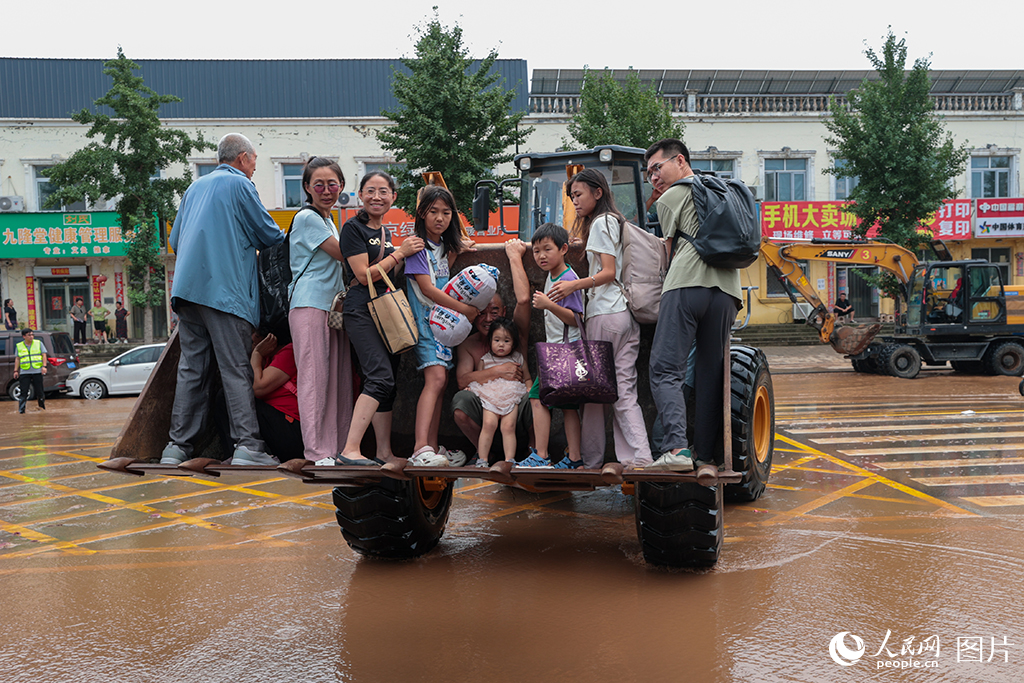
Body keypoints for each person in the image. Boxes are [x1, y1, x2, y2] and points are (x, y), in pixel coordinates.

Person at [160, 133, 285, 468]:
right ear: (243, 158)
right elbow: (270, 234)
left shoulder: (193, 189)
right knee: (235, 369)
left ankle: (176, 447)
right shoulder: (240, 185)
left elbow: (174, 240)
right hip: (224, 292)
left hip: (187, 291)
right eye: (255, 162)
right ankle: (248, 446)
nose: (254, 169)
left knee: (191, 369)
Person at [644, 138, 742, 472]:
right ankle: (704, 455)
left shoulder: (671, 197)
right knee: (711, 374)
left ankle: (675, 449)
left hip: (686, 286)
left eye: (657, 168)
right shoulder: (725, 191)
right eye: (649, 175)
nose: (654, 178)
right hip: (728, 292)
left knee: (664, 369)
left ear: (680, 160)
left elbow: (667, 253)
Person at [549, 168, 654, 471]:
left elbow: (607, 272)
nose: (575, 202)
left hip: (604, 316)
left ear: (598, 192)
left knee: (593, 396)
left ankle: (592, 461)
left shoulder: (601, 222)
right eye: (571, 196)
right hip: (624, 317)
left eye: (578, 195)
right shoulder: (616, 221)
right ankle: (639, 458)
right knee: (624, 392)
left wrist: (573, 285)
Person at [337, 171, 427, 466]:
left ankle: (384, 451)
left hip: (386, 312)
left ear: (393, 197)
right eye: (371, 191)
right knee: (378, 377)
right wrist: (399, 253)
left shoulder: (386, 232)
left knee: (388, 382)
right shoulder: (352, 229)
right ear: (360, 195)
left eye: (384, 191)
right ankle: (350, 450)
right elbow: (364, 277)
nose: (377, 196)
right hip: (361, 309)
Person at [286, 156, 355, 465]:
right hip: (310, 305)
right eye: (319, 185)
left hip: (333, 308)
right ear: (307, 188)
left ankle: (338, 448)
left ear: (341, 186)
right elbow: (344, 254)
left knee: (338, 380)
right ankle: (317, 452)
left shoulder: (329, 220)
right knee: (315, 379)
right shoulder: (307, 218)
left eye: (332, 184)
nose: (326, 190)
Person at [405, 185, 477, 466]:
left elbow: (442, 272)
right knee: (435, 380)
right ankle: (420, 447)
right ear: (421, 214)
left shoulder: (439, 247)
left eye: (446, 213)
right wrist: (465, 310)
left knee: (440, 380)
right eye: (433, 211)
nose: (440, 218)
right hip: (425, 322)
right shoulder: (417, 247)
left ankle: (431, 447)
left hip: (440, 325)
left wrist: (459, 248)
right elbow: (428, 289)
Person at [451, 240, 533, 462]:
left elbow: (524, 300)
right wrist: (499, 370)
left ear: (504, 311)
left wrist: (514, 256)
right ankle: (485, 453)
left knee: (537, 398)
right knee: (461, 402)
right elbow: (462, 381)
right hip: (486, 414)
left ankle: (534, 453)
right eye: (482, 312)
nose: (488, 319)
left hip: (517, 414)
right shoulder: (468, 344)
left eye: (494, 312)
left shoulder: (515, 335)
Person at [516, 222, 585, 469]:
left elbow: (577, 318)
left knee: (537, 398)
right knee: (568, 408)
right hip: (565, 351)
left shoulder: (567, 278)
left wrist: (548, 305)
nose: (541, 256)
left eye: (547, 249)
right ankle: (575, 458)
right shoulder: (555, 274)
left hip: (562, 352)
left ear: (564, 248)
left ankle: (541, 455)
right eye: (536, 251)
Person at [467, 317, 530, 468]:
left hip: (511, 395)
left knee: (508, 426)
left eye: (506, 341)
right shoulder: (485, 359)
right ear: (490, 341)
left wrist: (529, 387)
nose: (501, 344)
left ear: (513, 343)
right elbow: (479, 378)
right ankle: (482, 459)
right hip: (491, 396)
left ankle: (510, 460)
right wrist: (471, 387)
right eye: (497, 340)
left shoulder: (518, 358)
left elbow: (527, 378)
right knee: (488, 424)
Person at [13, 328, 47, 413]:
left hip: (37, 371)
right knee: (24, 392)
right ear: (24, 336)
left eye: (32, 334)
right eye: (29, 335)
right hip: (25, 371)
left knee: (40, 391)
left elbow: (44, 355)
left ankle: (42, 408)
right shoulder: (19, 345)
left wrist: (44, 366)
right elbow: (17, 359)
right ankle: (21, 410)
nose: (31, 336)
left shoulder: (38, 343)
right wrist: (16, 371)